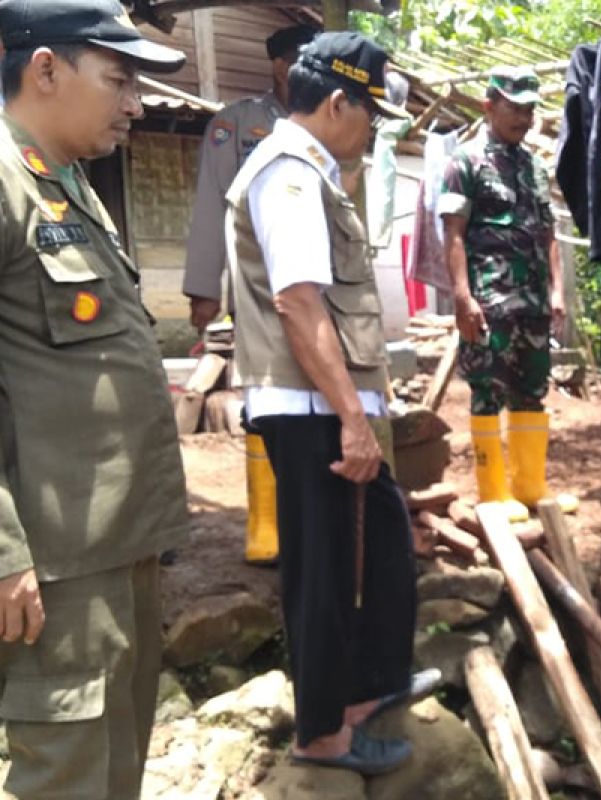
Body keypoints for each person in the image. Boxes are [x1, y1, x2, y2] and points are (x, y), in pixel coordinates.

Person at [225, 31, 437, 774]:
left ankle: (364, 690)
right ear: (338, 100)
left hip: (327, 406)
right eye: (370, 112)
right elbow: (298, 302)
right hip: (311, 409)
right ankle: (322, 735)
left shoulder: (313, 171)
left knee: (378, 551)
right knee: (323, 572)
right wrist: (352, 418)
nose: (375, 128)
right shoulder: (288, 173)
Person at [0, 1, 191, 796]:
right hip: (53, 565)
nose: (135, 103)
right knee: (64, 777)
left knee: (116, 767)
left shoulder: (68, 187)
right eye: (117, 79)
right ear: (45, 69)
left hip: (115, 548)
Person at [440, 66, 576, 522]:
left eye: (531, 108)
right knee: (487, 389)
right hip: (489, 298)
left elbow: (549, 232)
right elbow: (454, 234)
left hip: (533, 300)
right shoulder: (465, 162)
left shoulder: (535, 166)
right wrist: (462, 297)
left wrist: (557, 290)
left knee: (532, 388)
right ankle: (493, 491)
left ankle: (529, 485)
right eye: (515, 107)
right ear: (489, 105)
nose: (525, 117)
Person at [181, 23, 315, 332]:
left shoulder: (325, 124)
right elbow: (212, 201)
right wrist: (204, 288)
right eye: (306, 64)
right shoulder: (237, 122)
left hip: (317, 282)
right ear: (282, 68)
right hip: (257, 283)